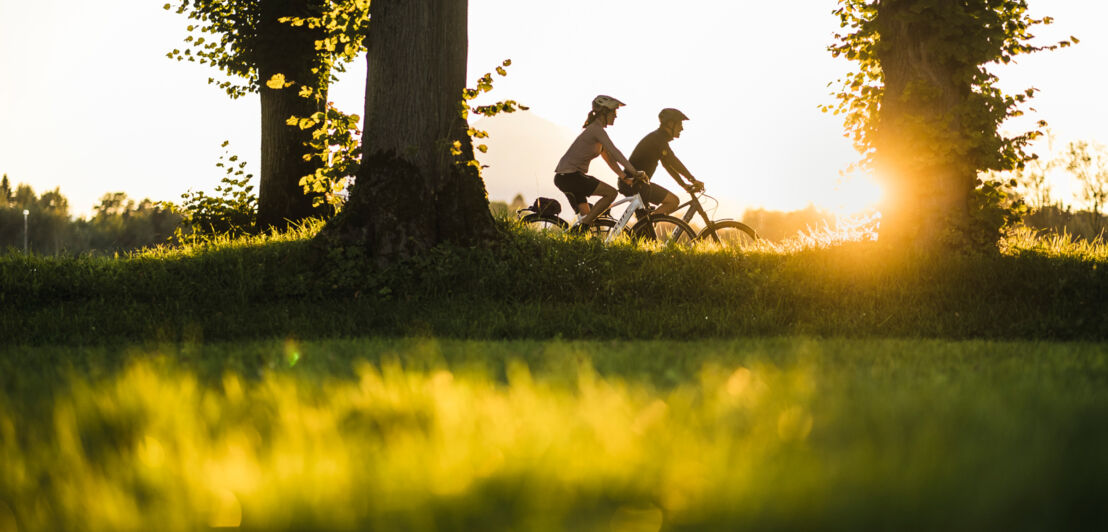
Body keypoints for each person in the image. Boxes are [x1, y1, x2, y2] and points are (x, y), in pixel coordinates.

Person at [554, 95, 646, 229]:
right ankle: (583, 226)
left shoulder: (595, 130)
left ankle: (579, 236)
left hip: (567, 177)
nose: (616, 116)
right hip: (570, 177)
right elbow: (615, 151)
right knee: (611, 193)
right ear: (604, 112)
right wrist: (634, 172)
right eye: (614, 112)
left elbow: (610, 159)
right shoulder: (596, 130)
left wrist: (624, 177)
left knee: (588, 222)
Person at [626, 108, 706, 217]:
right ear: (670, 124)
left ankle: (647, 224)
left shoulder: (658, 138)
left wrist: (684, 184)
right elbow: (673, 162)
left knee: (644, 226)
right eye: (679, 124)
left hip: (636, 184)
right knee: (673, 201)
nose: (682, 128)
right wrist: (692, 179)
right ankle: (648, 223)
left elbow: (668, 165)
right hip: (635, 184)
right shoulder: (658, 139)